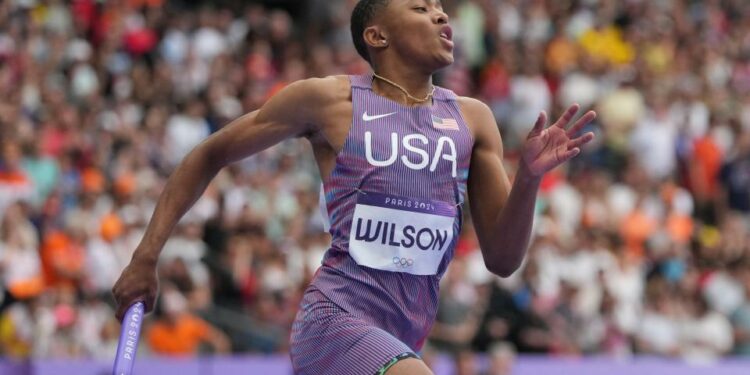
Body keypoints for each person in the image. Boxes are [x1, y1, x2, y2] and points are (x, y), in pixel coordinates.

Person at [111, 0, 596, 374]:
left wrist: (528, 179)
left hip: (404, 335)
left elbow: (504, 260)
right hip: (336, 320)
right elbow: (208, 153)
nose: (441, 13)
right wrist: (146, 256)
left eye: (440, 6)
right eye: (420, 7)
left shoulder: (472, 119)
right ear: (377, 34)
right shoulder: (331, 101)